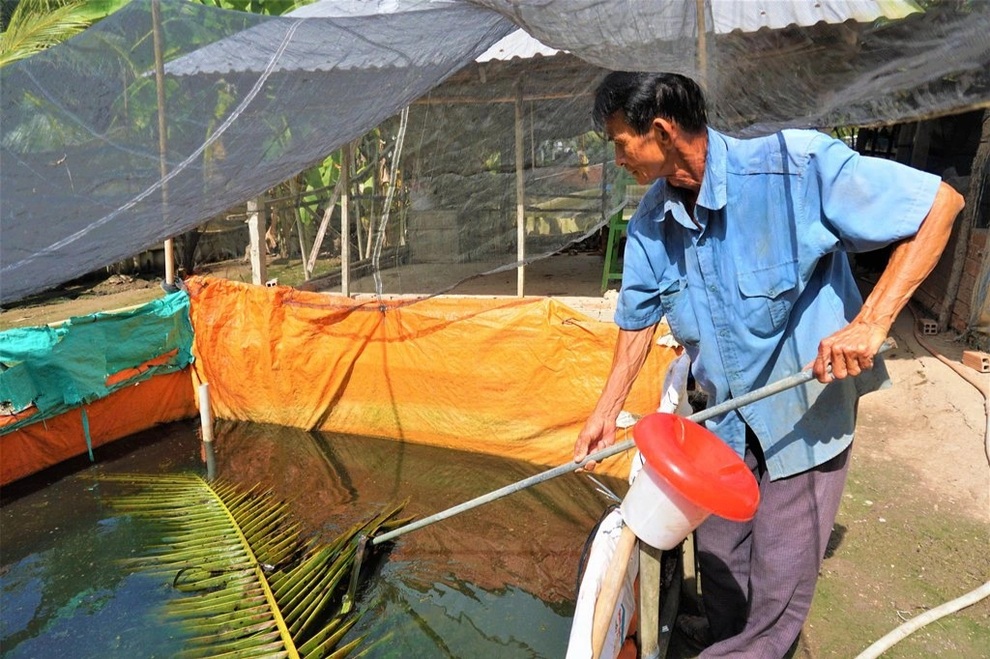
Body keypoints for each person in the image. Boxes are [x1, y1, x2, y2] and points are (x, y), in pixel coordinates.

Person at [574, 72, 964, 657]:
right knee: (720, 557)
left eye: (618, 141)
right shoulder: (653, 223)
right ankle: (733, 640)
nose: (617, 156)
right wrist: (605, 414)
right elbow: (638, 321)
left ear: (659, 131)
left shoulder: (793, 167)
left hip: (802, 414)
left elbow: (940, 203)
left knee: (781, 575)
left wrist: (872, 321)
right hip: (721, 420)